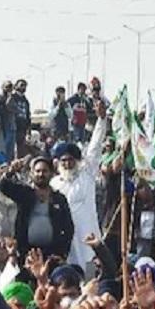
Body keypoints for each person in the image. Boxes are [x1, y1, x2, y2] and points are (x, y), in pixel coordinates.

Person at [49, 99, 107, 270]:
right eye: (64, 161)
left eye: (70, 160)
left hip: (88, 238)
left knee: (91, 274)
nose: (67, 164)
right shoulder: (54, 184)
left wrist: (101, 120)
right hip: (66, 241)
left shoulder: (86, 175)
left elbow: (95, 148)